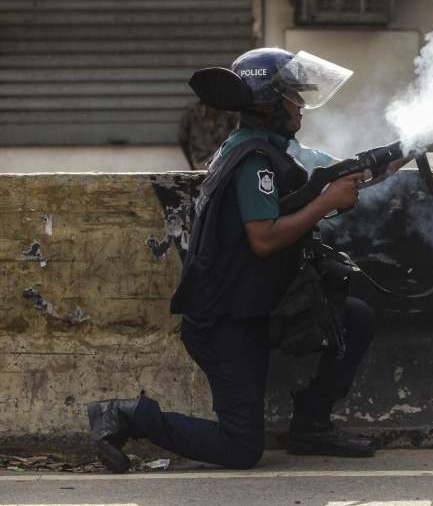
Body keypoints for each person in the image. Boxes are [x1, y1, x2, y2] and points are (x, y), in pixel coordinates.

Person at [87, 48, 407, 472]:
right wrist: (326, 201)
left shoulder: (273, 150)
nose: (301, 106)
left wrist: (418, 146)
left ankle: (311, 426)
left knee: (355, 316)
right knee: (241, 447)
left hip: (257, 304)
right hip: (224, 321)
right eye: (293, 96)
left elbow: (352, 172)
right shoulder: (253, 160)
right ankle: (126, 415)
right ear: (267, 103)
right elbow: (264, 238)